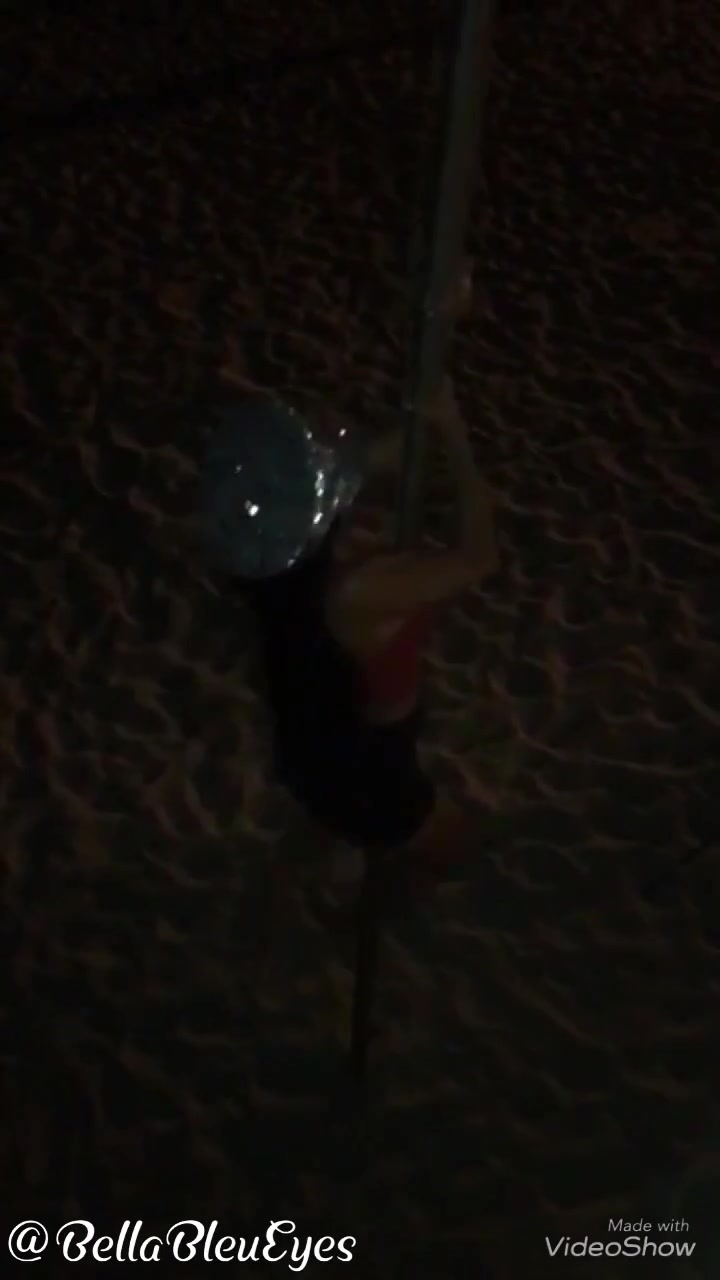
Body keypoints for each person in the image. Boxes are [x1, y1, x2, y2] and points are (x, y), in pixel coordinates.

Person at [214, 378, 497, 895]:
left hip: (308, 765)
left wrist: (423, 419)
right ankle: (375, 878)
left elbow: (373, 460)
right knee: (462, 845)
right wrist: (454, 432)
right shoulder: (358, 594)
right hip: (372, 788)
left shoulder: (267, 560)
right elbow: (479, 557)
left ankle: (347, 847)